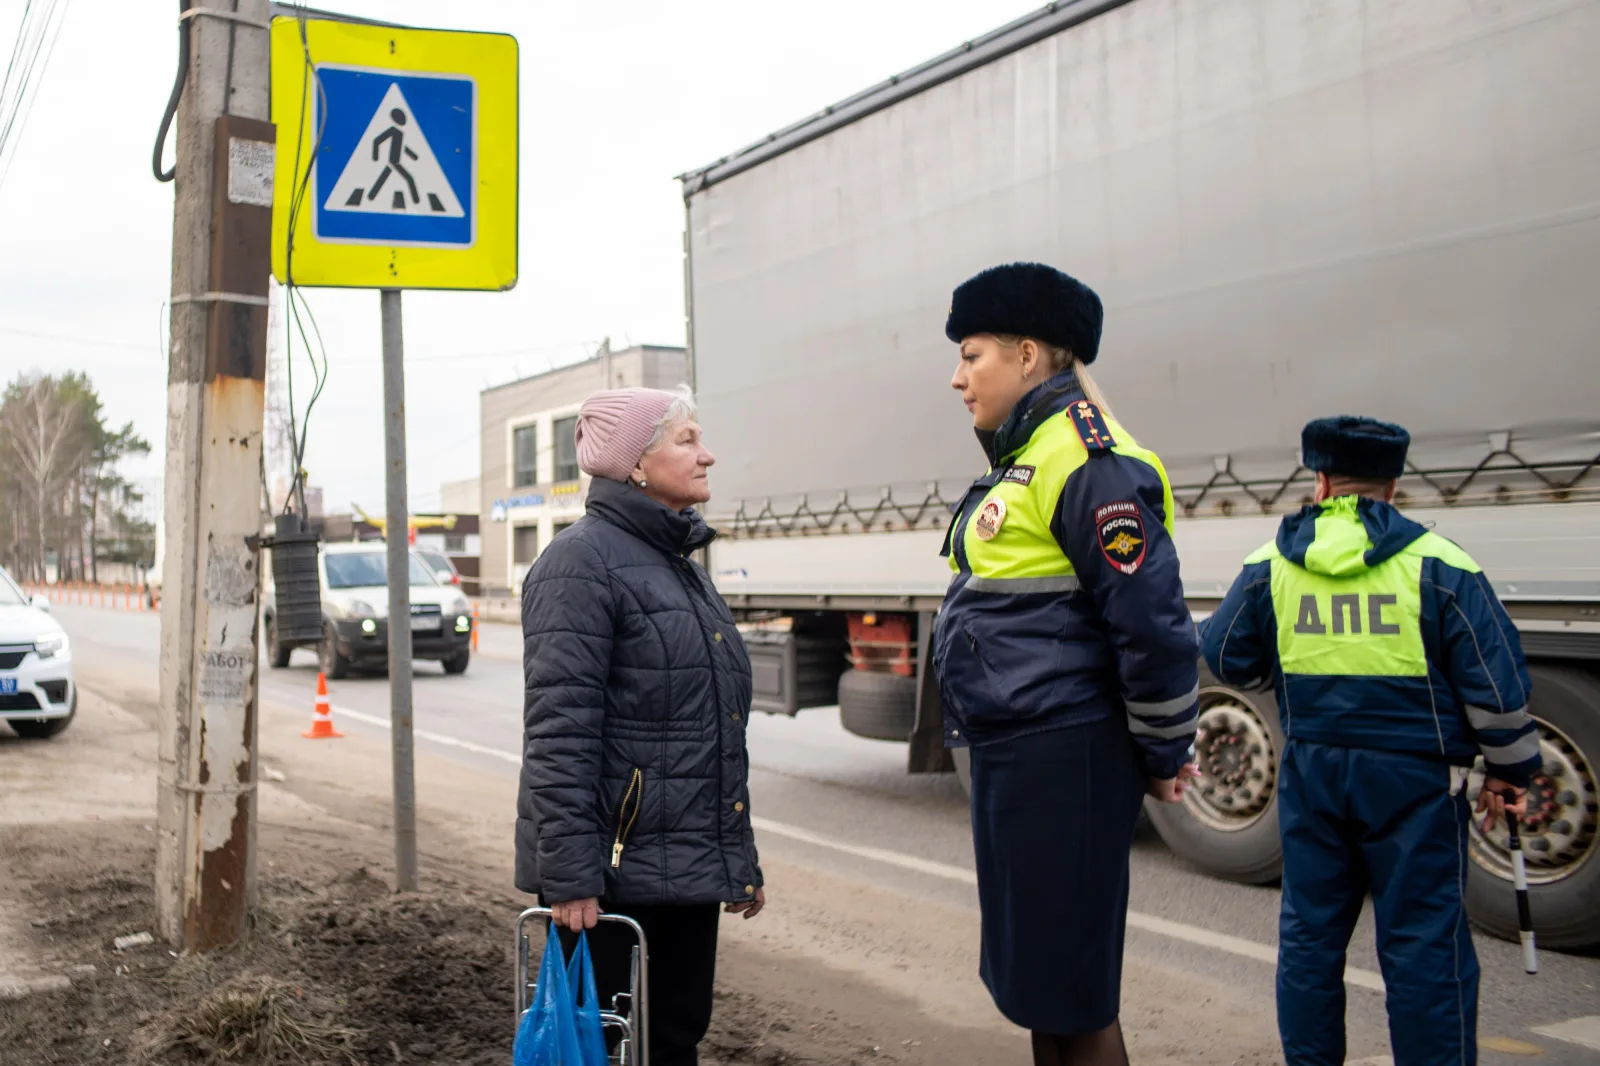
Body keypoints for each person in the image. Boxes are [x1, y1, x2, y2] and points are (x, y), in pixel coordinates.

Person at [1200, 416, 1538, 1066]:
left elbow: (1223, 653)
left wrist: (1277, 665)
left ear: (1321, 479)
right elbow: (1496, 690)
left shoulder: (1272, 561)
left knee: (1310, 943)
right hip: (1416, 785)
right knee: (1423, 950)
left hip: (1314, 775)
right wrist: (1510, 772)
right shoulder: (1440, 564)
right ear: (1394, 484)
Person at [933, 262, 1202, 1066]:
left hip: (1065, 748)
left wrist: (1161, 754)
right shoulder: (1029, 452)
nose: (956, 378)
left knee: (1074, 996)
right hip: (1024, 745)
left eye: (971, 355)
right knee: (1042, 986)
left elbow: (1152, 627)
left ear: (1027, 355)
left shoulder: (1088, 460)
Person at [516, 384, 766, 1066]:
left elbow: (707, 735)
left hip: (683, 871)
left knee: (674, 1041)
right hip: (610, 882)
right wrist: (568, 876)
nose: (707, 455)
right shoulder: (579, 565)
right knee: (603, 1048)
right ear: (632, 465)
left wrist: (736, 862)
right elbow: (559, 733)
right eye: (687, 440)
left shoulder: (679, 569)